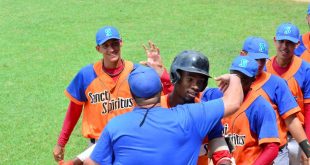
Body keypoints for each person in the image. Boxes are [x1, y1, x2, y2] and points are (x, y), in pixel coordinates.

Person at [52, 26, 171, 165]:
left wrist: (162, 75)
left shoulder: (137, 74)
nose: (111, 49)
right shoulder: (86, 75)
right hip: (96, 149)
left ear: (121, 42)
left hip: (131, 144)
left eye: (114, 43)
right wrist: (61, 143)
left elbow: (164, 102)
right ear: (98, 49)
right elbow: (74, 110)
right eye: (106, 45)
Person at [84, 65, 244, 165]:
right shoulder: (190, 116)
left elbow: (92, 163)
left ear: (132, 95)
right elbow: (233, 102)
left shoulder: (115, 126)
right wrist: (235, 77)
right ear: (161, 89)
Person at [239, 36, 309, 165]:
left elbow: (291, 119)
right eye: (255, 59)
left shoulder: (276, 83)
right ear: (242, 55)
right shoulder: (233, 82)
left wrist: (307, 150)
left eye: (262, 60)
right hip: (242, 152)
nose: (259, 64)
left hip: (275, 154)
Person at [204, 56, 280, 164]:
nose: (238, 82)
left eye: (243, 78)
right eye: (235, 76)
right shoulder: (215, 95)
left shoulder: (261, 107)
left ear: (253, 80)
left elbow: (272, 148)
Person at [161, 50, 232, 165]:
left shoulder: (206, 112)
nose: (195, 86)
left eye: (200, 82)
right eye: (190, 80)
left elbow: (219, 148)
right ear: (175, 76)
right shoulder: (156, 109)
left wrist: (224, 161)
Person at [265, 23, 310, 164]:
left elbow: (309, 110)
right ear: (274, 41)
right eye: (281, 41)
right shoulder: (264, 68)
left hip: (297, 137)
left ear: (297, 44)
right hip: (271, 138)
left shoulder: (305, 70)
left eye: (289, 42)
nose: (284, 46)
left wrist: (306, 146)